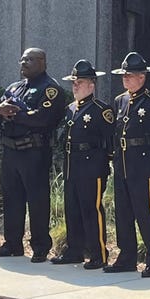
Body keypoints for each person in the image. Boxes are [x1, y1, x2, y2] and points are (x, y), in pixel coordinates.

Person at [0, 48, 65, 263]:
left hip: (34, 152)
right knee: (12, 199)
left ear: (42, 62)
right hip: (11, 151)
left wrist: (14, 115)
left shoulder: (50, 89)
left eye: (29, 60)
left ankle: (40, 246)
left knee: (37, 201)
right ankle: (12, 244)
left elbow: (43, 119)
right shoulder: (15, 87)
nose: (23, 63)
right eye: (22, 59)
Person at [103, 52, 150, 277]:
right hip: (123, 161)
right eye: (124, 75)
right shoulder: (120, 101)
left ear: (142, 77)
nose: (126, 79)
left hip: (142, 163)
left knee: (145, 210)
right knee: (123, 211)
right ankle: (127, 257)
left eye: (131, 75)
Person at [50, 60, 115, 270]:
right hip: (72, 165)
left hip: (92, 167)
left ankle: (99, 254)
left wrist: (104, 164)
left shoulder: (101, 110)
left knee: (91, 210)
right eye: (74, 82)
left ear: (92, 85)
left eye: (80, 82)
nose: (76, 86)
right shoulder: (70, 109)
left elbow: (110, 141)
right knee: (72, 209)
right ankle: (74, 251)